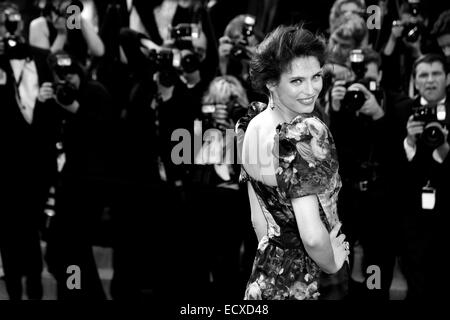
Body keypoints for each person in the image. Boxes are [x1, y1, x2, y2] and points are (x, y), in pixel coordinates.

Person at [237, 24, 350, 300]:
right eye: (297, 81)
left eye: (316, 76)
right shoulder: (302, 134)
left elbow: (258, 221)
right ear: (271, 82)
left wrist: (278, 263)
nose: (311, 89)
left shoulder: (251, 125)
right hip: (312, 279)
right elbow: (312, 236)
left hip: (266, 276)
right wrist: (332, 263)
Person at [0, 2, 53, 300]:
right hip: (6, 165)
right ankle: (15, 295)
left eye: (16, 23)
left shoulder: (46, 60)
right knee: (8, 234)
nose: (12, 32)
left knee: (31, 231)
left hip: (39, 164)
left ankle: (34, 292)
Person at [392, 53, 450, 299]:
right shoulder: (401, 112)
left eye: (436, 73)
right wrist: (409, 143)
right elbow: (394, 173)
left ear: (447, 78)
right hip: (414, 222)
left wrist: (444, 151)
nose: (430, 80)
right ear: (415, 81)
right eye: (423, 75)